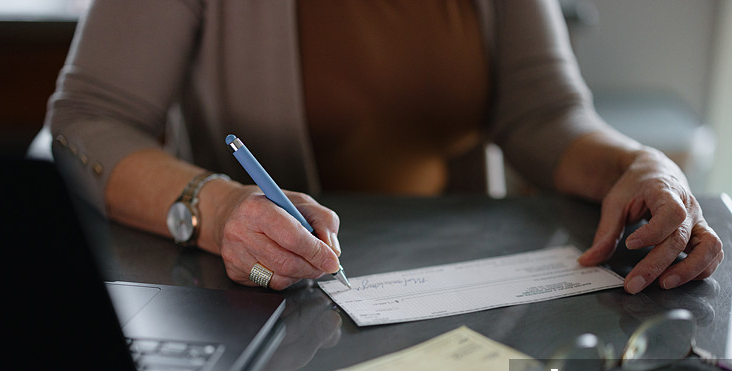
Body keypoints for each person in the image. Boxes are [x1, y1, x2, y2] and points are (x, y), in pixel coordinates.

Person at [46, 0, 723, 292]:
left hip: (451, 293)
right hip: (254, 295)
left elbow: (543, 113)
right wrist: (217, 210)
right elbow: (86, 123)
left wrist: (640, 166)